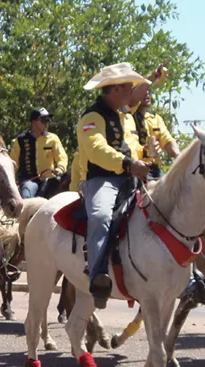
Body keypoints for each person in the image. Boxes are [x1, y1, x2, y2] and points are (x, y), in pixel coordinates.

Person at [76, 63, 154, 309]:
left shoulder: (125, 116)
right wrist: (129, 164)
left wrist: (146, 155)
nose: (133, 91)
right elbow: (96, 150)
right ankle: (98, 275)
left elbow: (132, 148)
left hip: (132, 177)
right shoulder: (91, 117)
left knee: (169, 207)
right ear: (117, 89)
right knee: (99, 216)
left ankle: (189, 274)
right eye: (129, 87)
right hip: (103, 180)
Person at [9, 107, 68, 198]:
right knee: (26, 198)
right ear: (33, 122)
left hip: (49, 179)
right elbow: (13, 163)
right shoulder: (21, 140)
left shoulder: (53, 138)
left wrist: (60, 168)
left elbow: (62, 157)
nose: (47, 123)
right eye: (43, 120)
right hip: (29, 180)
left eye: (48, 120)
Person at [132, 91, 181, 180]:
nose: (147, 94)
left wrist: (180, 157)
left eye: (149, 92)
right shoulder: (126, 117)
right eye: (143, 91)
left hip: (155, 169)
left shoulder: (155, 118)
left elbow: (168, 141)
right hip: (136, 169)